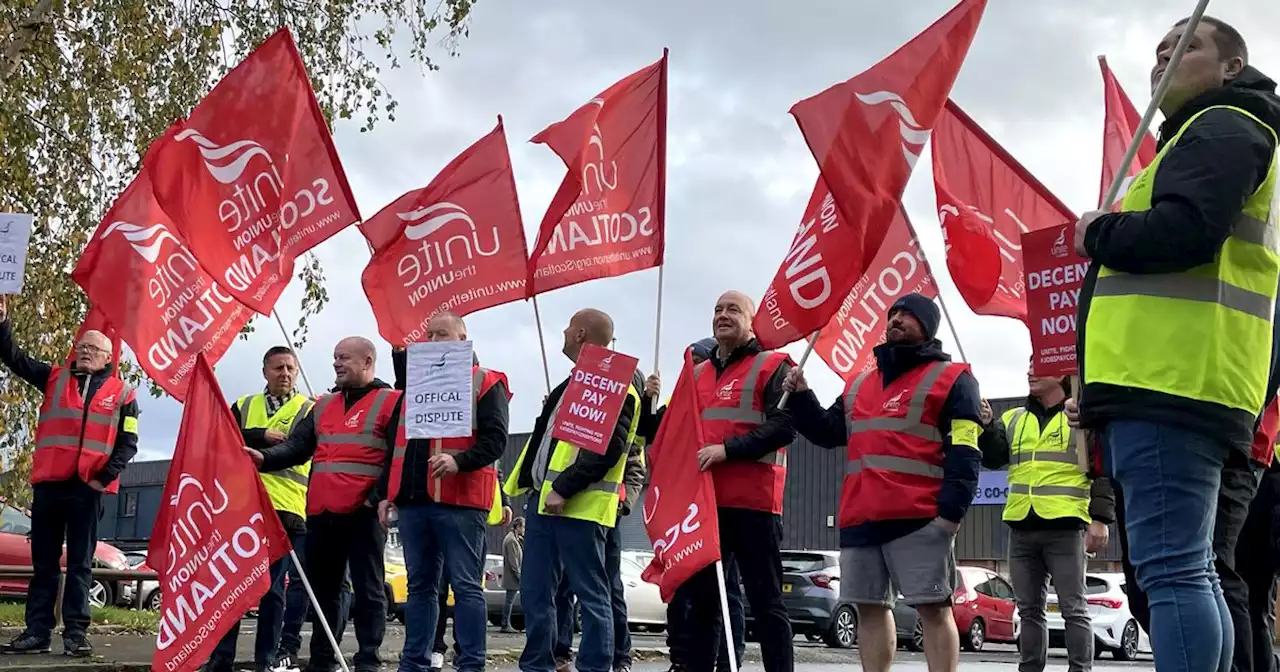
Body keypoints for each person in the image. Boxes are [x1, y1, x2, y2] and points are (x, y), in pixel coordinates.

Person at [1070, 15, 1280, 672]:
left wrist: (1099, 233)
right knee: (1196, 573)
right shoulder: (1222, 132)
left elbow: (1185, 233)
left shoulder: (1223, 125)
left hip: (1170, 382)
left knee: (1177, 574)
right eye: (1157, 50)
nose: (1163, 58)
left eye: (1186, 46)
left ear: (1230, 68)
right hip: (1191, 381)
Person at [783, 293, 982, 672]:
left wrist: (950, 517)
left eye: (908, 315)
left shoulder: (954, 379)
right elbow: (827, 432)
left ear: (928, 327)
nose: (896, 320)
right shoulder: (859, 386)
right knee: (871, 608)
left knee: (934, 609)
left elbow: (966, 452)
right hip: (861, 519)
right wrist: (802, 396)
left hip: (921, 519)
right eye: (893, 314)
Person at [247, 337, 399, 672]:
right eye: (334, 357)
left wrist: (378, 498)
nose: (336, 363)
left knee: (369, 589)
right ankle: (322, 659)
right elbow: (299, 447)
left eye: (344, 357)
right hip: (321, 513)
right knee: (324, 593)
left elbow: (397, 457)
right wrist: (263, 457)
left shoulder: (390, 402)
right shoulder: (324, 404)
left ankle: (368, 661)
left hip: (364, 513)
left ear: (368, 361)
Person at [0, 297, 139, 657]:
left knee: (80, 563)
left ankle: (76, 634)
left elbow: (129, 442)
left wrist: (103, 476)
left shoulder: (124, 394)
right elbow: (14, 358)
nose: (86, 352)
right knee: (44, 564)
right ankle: (37, 633)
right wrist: (2, 324)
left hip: (87, 490)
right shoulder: (54, 378)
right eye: (82, 347)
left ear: (109, 357)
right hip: (49, 485)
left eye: (94, 349)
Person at [503, 308, 640, 672]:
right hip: (545, 505)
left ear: (580, 334)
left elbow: (608, 448)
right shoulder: (572, 385)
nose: (563, 333)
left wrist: (563, 487)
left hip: (580, 507)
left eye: (567, 327)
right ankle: (538, 663)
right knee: (536, 592)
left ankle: (596, 666)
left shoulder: (614, 385)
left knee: (592, 594)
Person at [671, 291, 796, 672]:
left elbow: (785, 426)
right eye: (718, 310)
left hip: (755, 505)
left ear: (752, 321)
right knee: (704, 601)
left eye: (733, 310)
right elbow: (672, 432)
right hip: (707, 506)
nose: (723, 316)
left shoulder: (773, 366)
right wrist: (650, 403)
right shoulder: (697, 373)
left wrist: (728, 449)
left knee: (766, 602)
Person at [383, 313, 511, 672]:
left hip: (461, 501)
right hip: (414, 502)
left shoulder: (485, 381)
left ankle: (471, 664)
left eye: (442, 333)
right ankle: (414, 663)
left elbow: (496, 438)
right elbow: (398, 444)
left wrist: (460, 461)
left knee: (466, 586)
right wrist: (388, 494)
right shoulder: (415, 386)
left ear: (463, 337)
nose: (433, 339)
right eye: (428, 334)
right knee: (420, 588)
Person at [977, 365, 1115, 672]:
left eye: (1038, 367)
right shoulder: (1014, 418)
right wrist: (986, 427)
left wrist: (1100, 518)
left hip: (1065, 525)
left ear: (1062, 375)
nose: (1029, 372)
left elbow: (1102, 469)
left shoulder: (1080, 417)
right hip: (1022, 526)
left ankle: (1080, 669)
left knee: (1073, 609)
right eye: (1027, 366)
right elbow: (995, 457)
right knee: (1028, 610)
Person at [203, 347, 316, 672]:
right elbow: (221, 437)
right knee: (233, 585)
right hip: (242, 507)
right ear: (265, 371)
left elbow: (301, 448)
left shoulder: (308, 409)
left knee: (271, 589)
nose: (285, 373)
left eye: (290, 368)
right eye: (278, 367)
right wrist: (259, 435)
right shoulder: (244, 405)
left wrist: (263, 447)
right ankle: (221, 658)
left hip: (286, 508)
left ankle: (265, 659)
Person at [641, 338, 745, 672]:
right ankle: (684, 659)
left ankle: (729, 659)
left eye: (698, 362)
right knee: (688, 587)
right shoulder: (681, 396)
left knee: (723, 591)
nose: (693, 370)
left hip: (721, 500)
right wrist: (648, 401)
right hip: (689, 502)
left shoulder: (723, 391)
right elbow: (654, 433)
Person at [502, 517, 525, 633]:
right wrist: (519, 576)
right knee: (509, 601)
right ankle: (505, 624)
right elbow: (513, 561)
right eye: (523, 527)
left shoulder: (515, 539)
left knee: (509, 601)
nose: (524, 530)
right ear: (518, 527)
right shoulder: (511, 540)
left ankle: (506, 624)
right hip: (512, 577)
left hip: (513, 576)